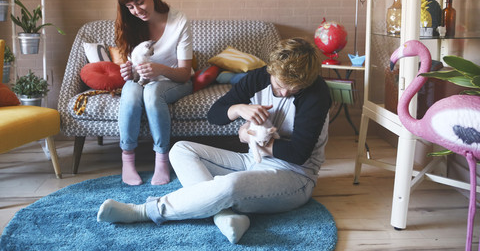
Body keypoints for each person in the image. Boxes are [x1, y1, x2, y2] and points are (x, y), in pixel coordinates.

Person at [97, 38, 331, 244]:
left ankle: (143, 211)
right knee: (180, 150)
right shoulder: (259, 77)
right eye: (280, 86)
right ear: (271, 71)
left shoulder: (316, 93)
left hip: (295, 175)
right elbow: (215, 115)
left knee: (229, 185)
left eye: (294, 89)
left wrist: (249, 136)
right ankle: (225, 216)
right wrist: (239, 109)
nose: (286, 94)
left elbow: (297, 154)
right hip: (253, 159)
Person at [115, 0, 193, 186]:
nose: (137, 11)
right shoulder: (131, 24)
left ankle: (162, 160)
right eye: (130, 7)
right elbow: (134, 72)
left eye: (140, 3)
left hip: (175, 80)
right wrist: (128, 73)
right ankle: (127, 161)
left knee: (152, 93)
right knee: (130, 93)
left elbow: (185, 73)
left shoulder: (179, 21)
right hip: (143, 81)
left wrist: (160, 68)